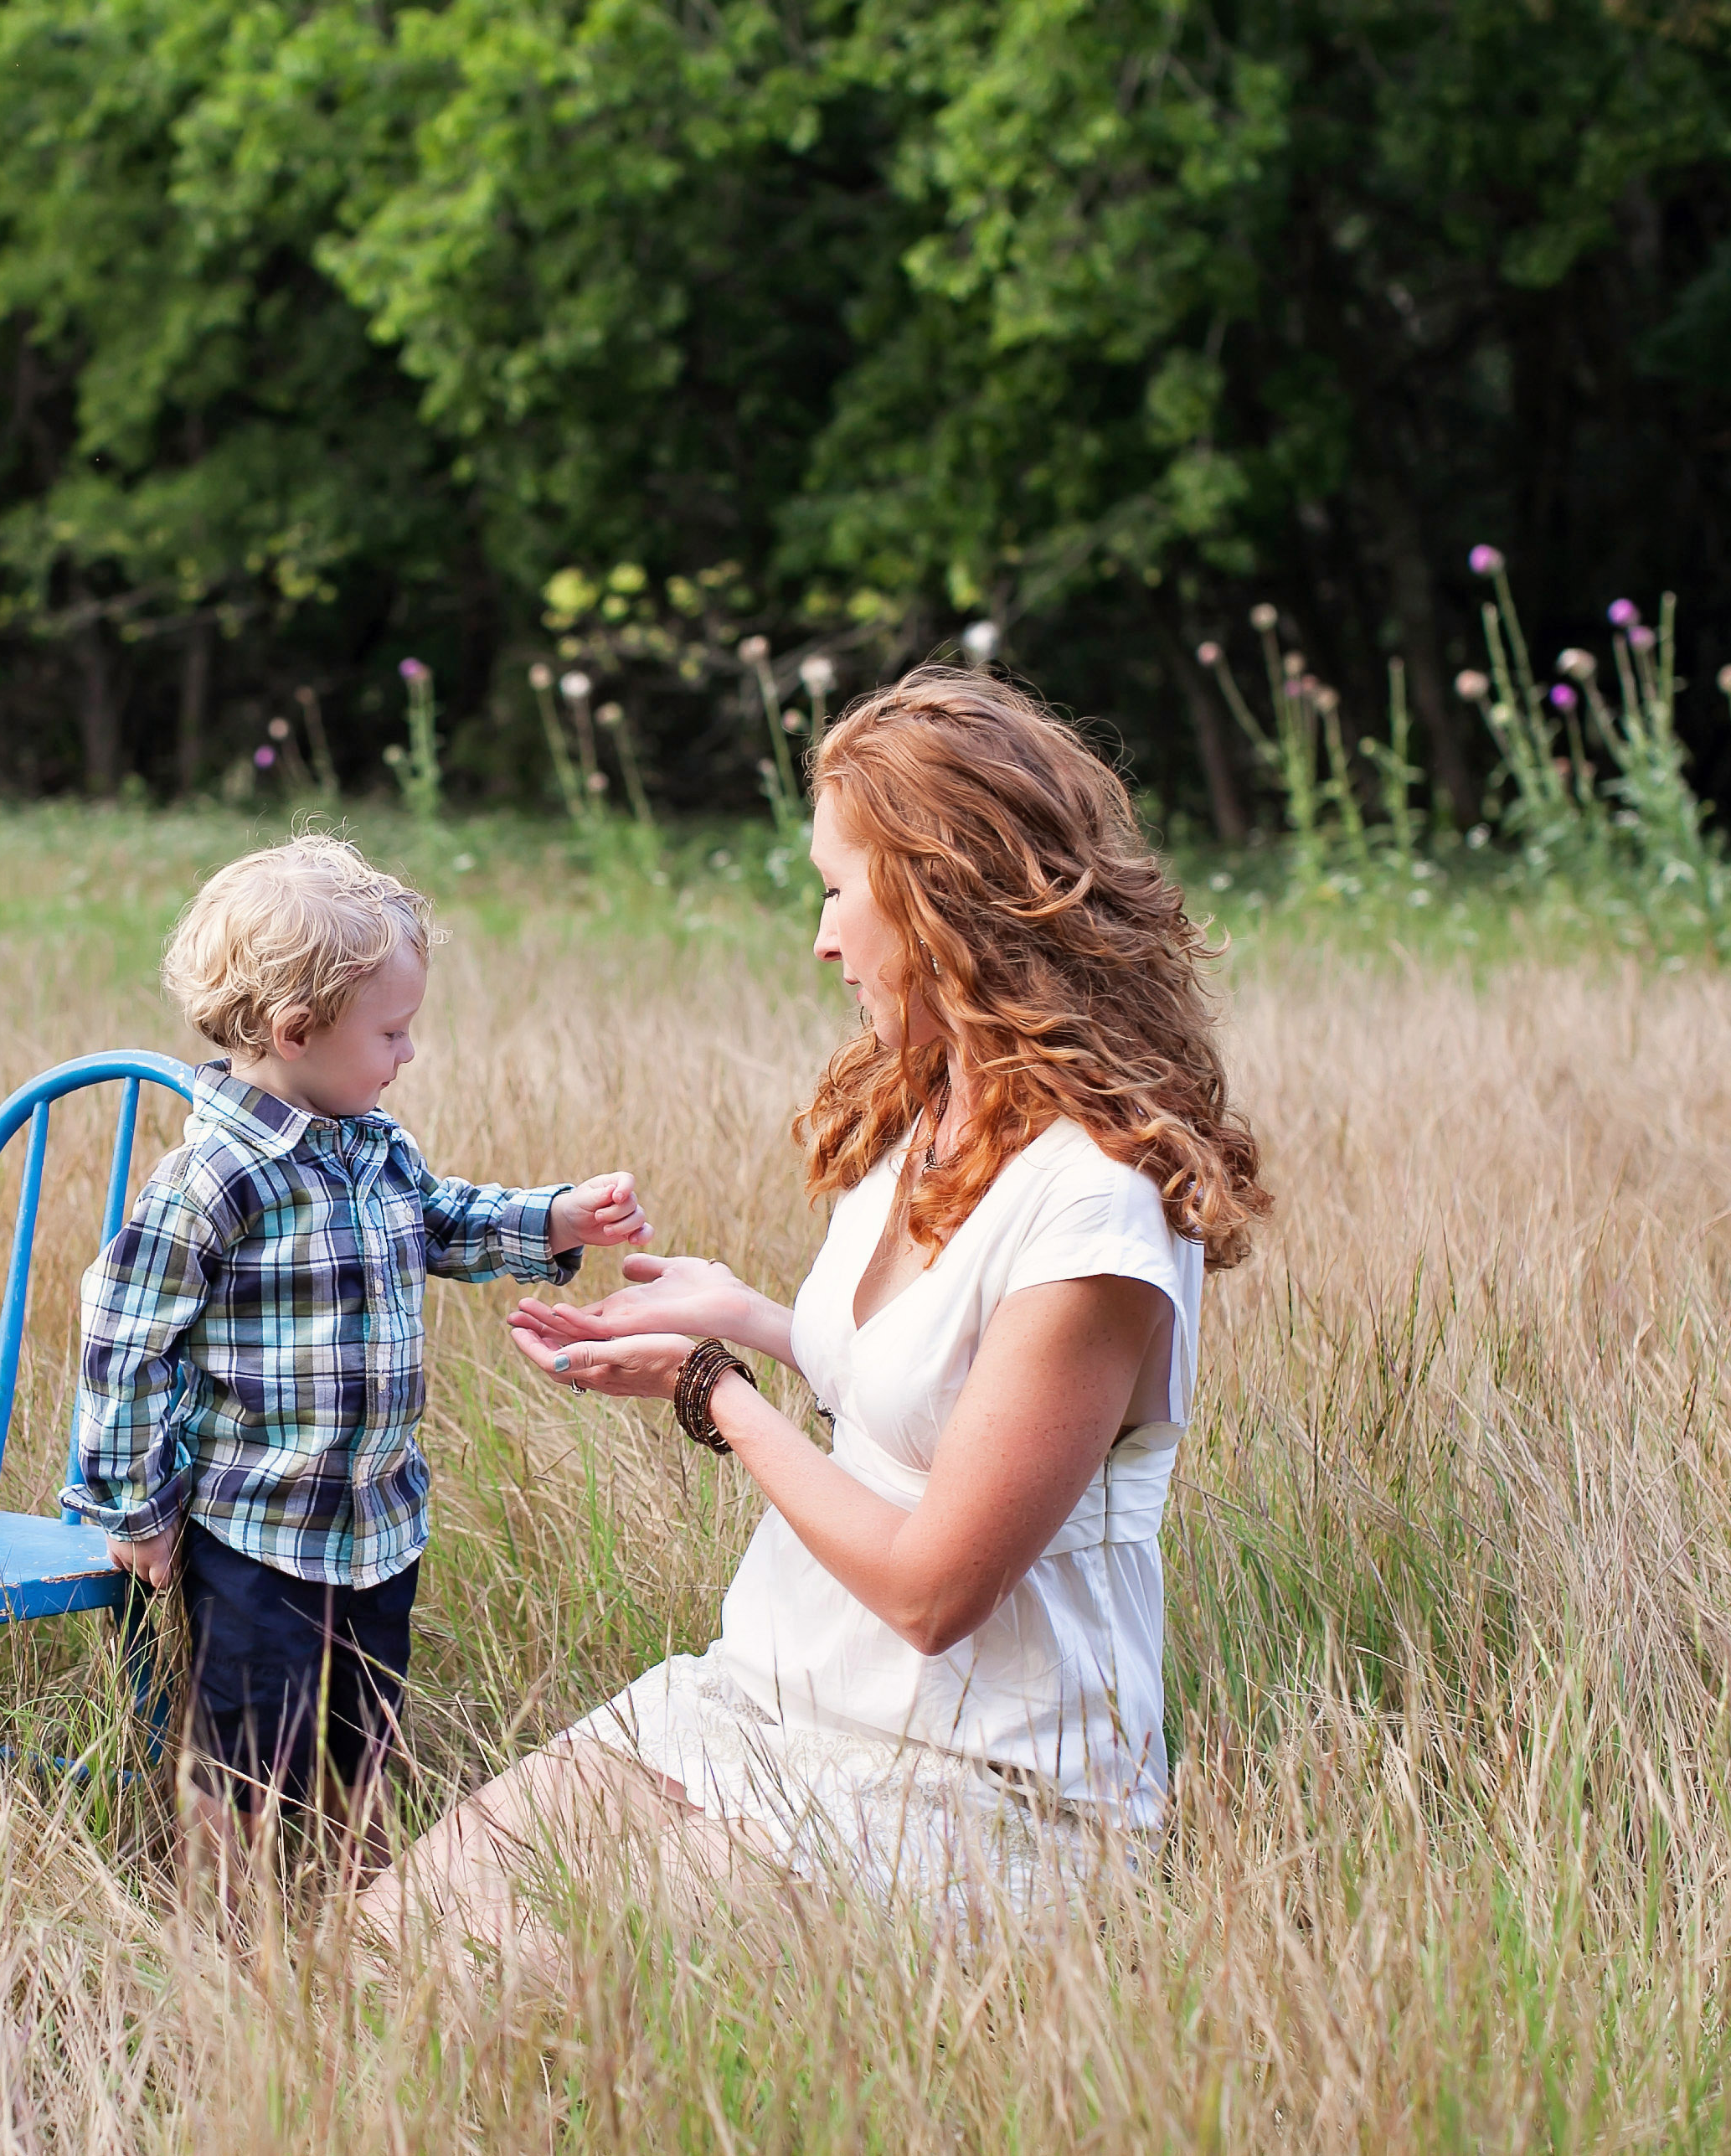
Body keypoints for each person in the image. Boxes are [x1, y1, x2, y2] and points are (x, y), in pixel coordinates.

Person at [359, 666, 1271, 1954]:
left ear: (939, 895)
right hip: (766, 1699)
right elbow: (933, 1386)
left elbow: (932, 1586)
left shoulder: (1093, 1213)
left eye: (840, 889)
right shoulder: (940, 1109)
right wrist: (760, 1315)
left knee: (505, 1983)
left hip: (973, 1786)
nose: (823, 936)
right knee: (385, 1942)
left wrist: (714, 1391)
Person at [60, 833, 654, 1884]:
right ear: (296, 1031)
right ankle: (232, 1922)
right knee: (248, 1748)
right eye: (392, 1032)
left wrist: (555, 1219)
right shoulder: (214, 1179)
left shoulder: (375, 1146)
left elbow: (446, 1221)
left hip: (377, 1521)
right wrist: (135, 1508)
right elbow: (125, 1338)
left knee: (361, 1733)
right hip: (258, 1526)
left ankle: (357, 1908)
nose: (408, 1055)